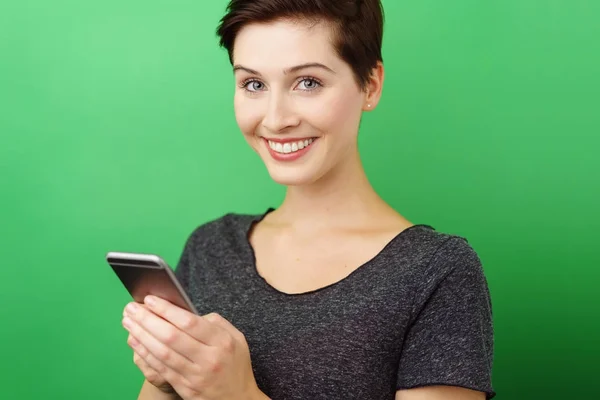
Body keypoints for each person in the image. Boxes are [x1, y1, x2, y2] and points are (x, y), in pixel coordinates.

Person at [120, 0, 496, 399]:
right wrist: (168, 378)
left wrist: (237, 393)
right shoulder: (211, 249)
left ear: (370, 84)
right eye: (253, 84)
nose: (276, 118)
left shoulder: (436, 272)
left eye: (308, 82)